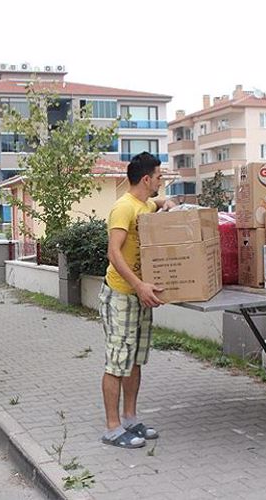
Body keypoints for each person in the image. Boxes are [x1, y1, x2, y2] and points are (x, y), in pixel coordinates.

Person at [99, 152, 175, 449]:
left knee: (135, 360)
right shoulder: (123, 208)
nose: (161, 181)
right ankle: (113, 427)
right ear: (146, 179)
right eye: (159, 177)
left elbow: (157, 203)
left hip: (140, 295)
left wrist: (166, 203)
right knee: (117, 361)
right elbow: (114, 253)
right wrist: (139, 285)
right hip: (121, 294)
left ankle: (130, 418)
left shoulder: (143, 204)